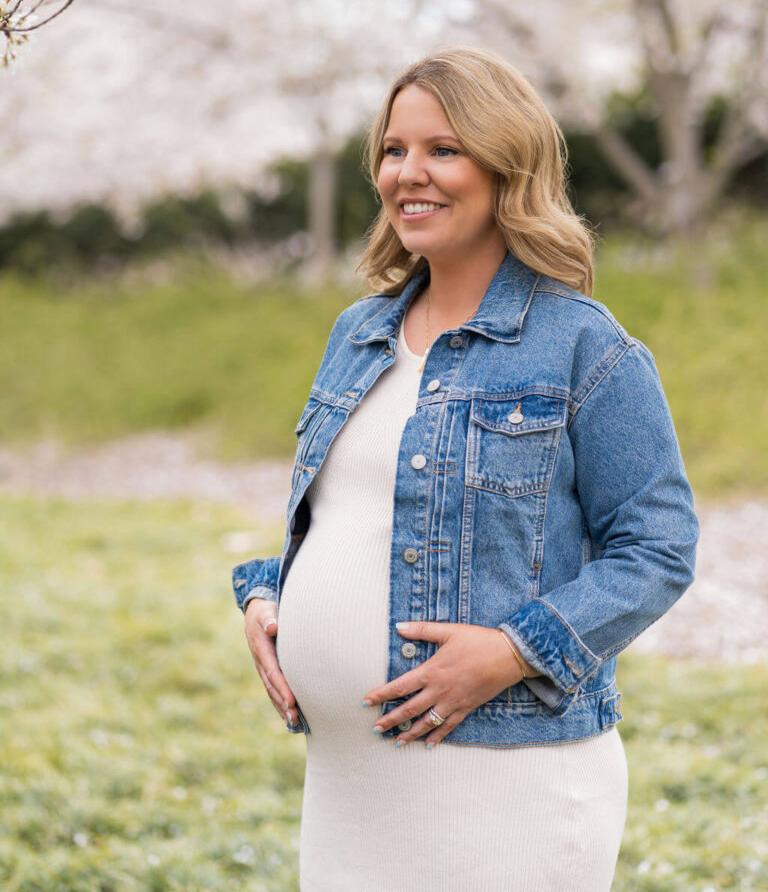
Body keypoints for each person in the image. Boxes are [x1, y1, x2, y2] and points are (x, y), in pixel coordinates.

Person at [231, 46, 699, 891]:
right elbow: (359, 518)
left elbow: (659, 547)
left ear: (506, 167)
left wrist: (516, 650)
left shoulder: (585, 347)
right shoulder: (358, 332)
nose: (410, 173)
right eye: (393, 149)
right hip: (348, 789)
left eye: (443, 149)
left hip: (504, 786)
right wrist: (273, 597)